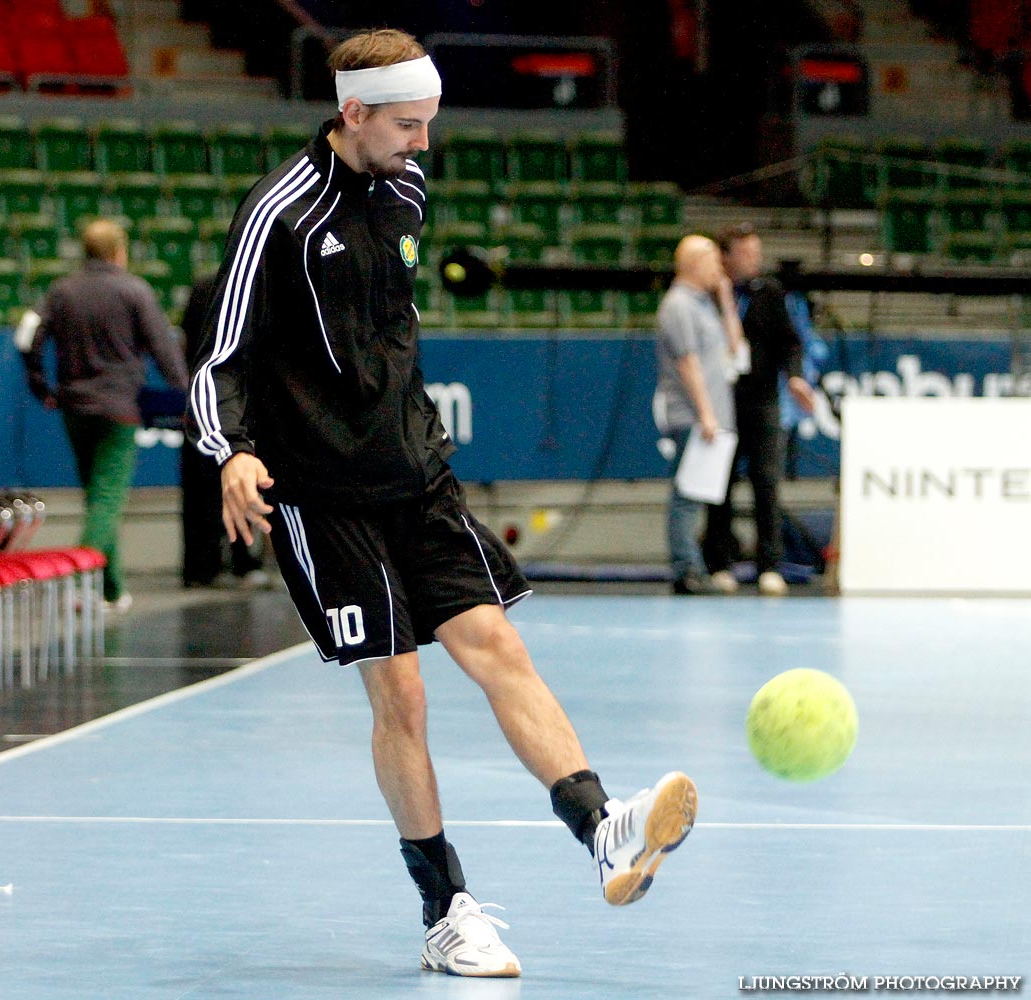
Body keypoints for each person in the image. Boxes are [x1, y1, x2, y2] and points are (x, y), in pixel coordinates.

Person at [185, 28, 697, 979]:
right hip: (320, 492)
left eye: (429, 122)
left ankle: (602, 828)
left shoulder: (407, 187)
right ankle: (445, 909)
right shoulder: (278, 215)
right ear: (352, 114)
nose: (422, 142)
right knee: (404, 693)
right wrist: (232, 454)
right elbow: (221, 357)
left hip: (414, 471)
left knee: (497, 645)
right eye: (406, 124)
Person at [21, 218, 188, 611]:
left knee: (98, 498)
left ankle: (110, 589)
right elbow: (164, 349)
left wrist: (40, 386)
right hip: (120, 410)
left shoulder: (61, 291)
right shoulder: (134, 290)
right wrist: (184, 392)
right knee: (108, 498)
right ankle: (79, 579)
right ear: (119, 251)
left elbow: (29, 337)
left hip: (75, 408)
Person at [704, 224, 816, 597]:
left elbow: (790, 342)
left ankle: (770, 565)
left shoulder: (768, 292)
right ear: (726, 256)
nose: (754, 260)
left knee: (766, 482)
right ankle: (720, 562)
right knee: (718, 484)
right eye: (746, 253)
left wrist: (795, 378)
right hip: (722, 402)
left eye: (757, 252)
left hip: (763, 400)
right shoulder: (708, 295)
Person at [652, 234, 743, 596]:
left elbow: (735, 347)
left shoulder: (704, 304)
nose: (720, 268)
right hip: (692, 416)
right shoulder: (678, 305)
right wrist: (705, 414)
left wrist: (725, 297)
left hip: (713, 416)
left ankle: (694, 565)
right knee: (686, 495)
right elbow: (687, 362)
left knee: (699, 495)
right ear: (694, 263)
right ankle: (685, 569)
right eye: (713, 262)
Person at [179, 272, 269, 589]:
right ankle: (243, 563)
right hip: (235, 402)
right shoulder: (253, 286)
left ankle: (200, 569)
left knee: (203, 490)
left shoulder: (206, 287)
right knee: (240, 479)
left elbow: (188, 345)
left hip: (204, 399)